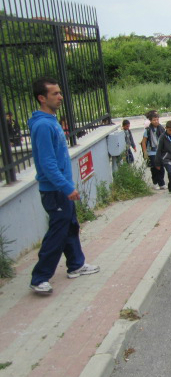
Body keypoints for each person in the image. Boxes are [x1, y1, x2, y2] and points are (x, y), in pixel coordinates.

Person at [27, 77, 99, 295]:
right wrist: (66, 187)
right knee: (57, 233)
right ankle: (39, 277)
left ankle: (76, 264)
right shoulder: (42, 125)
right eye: (55, 94)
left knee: (70, 226)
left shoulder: (51, 120)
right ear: (42, 98)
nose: (60, 97)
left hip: (62, 188)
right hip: (55, 191)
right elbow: (47, 163)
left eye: (60, 92)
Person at [141, 113, 166, 190]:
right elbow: (143, 142)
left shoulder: (161, 129)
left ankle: (161, 183)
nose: (156, 121)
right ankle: (156, 183)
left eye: (157, 119)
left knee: (161, 167)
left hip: (160, 151)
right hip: (151, 152)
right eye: (154, 120)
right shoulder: (148, 130)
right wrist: (145, 152)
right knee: (155, 168)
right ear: (150, 121)